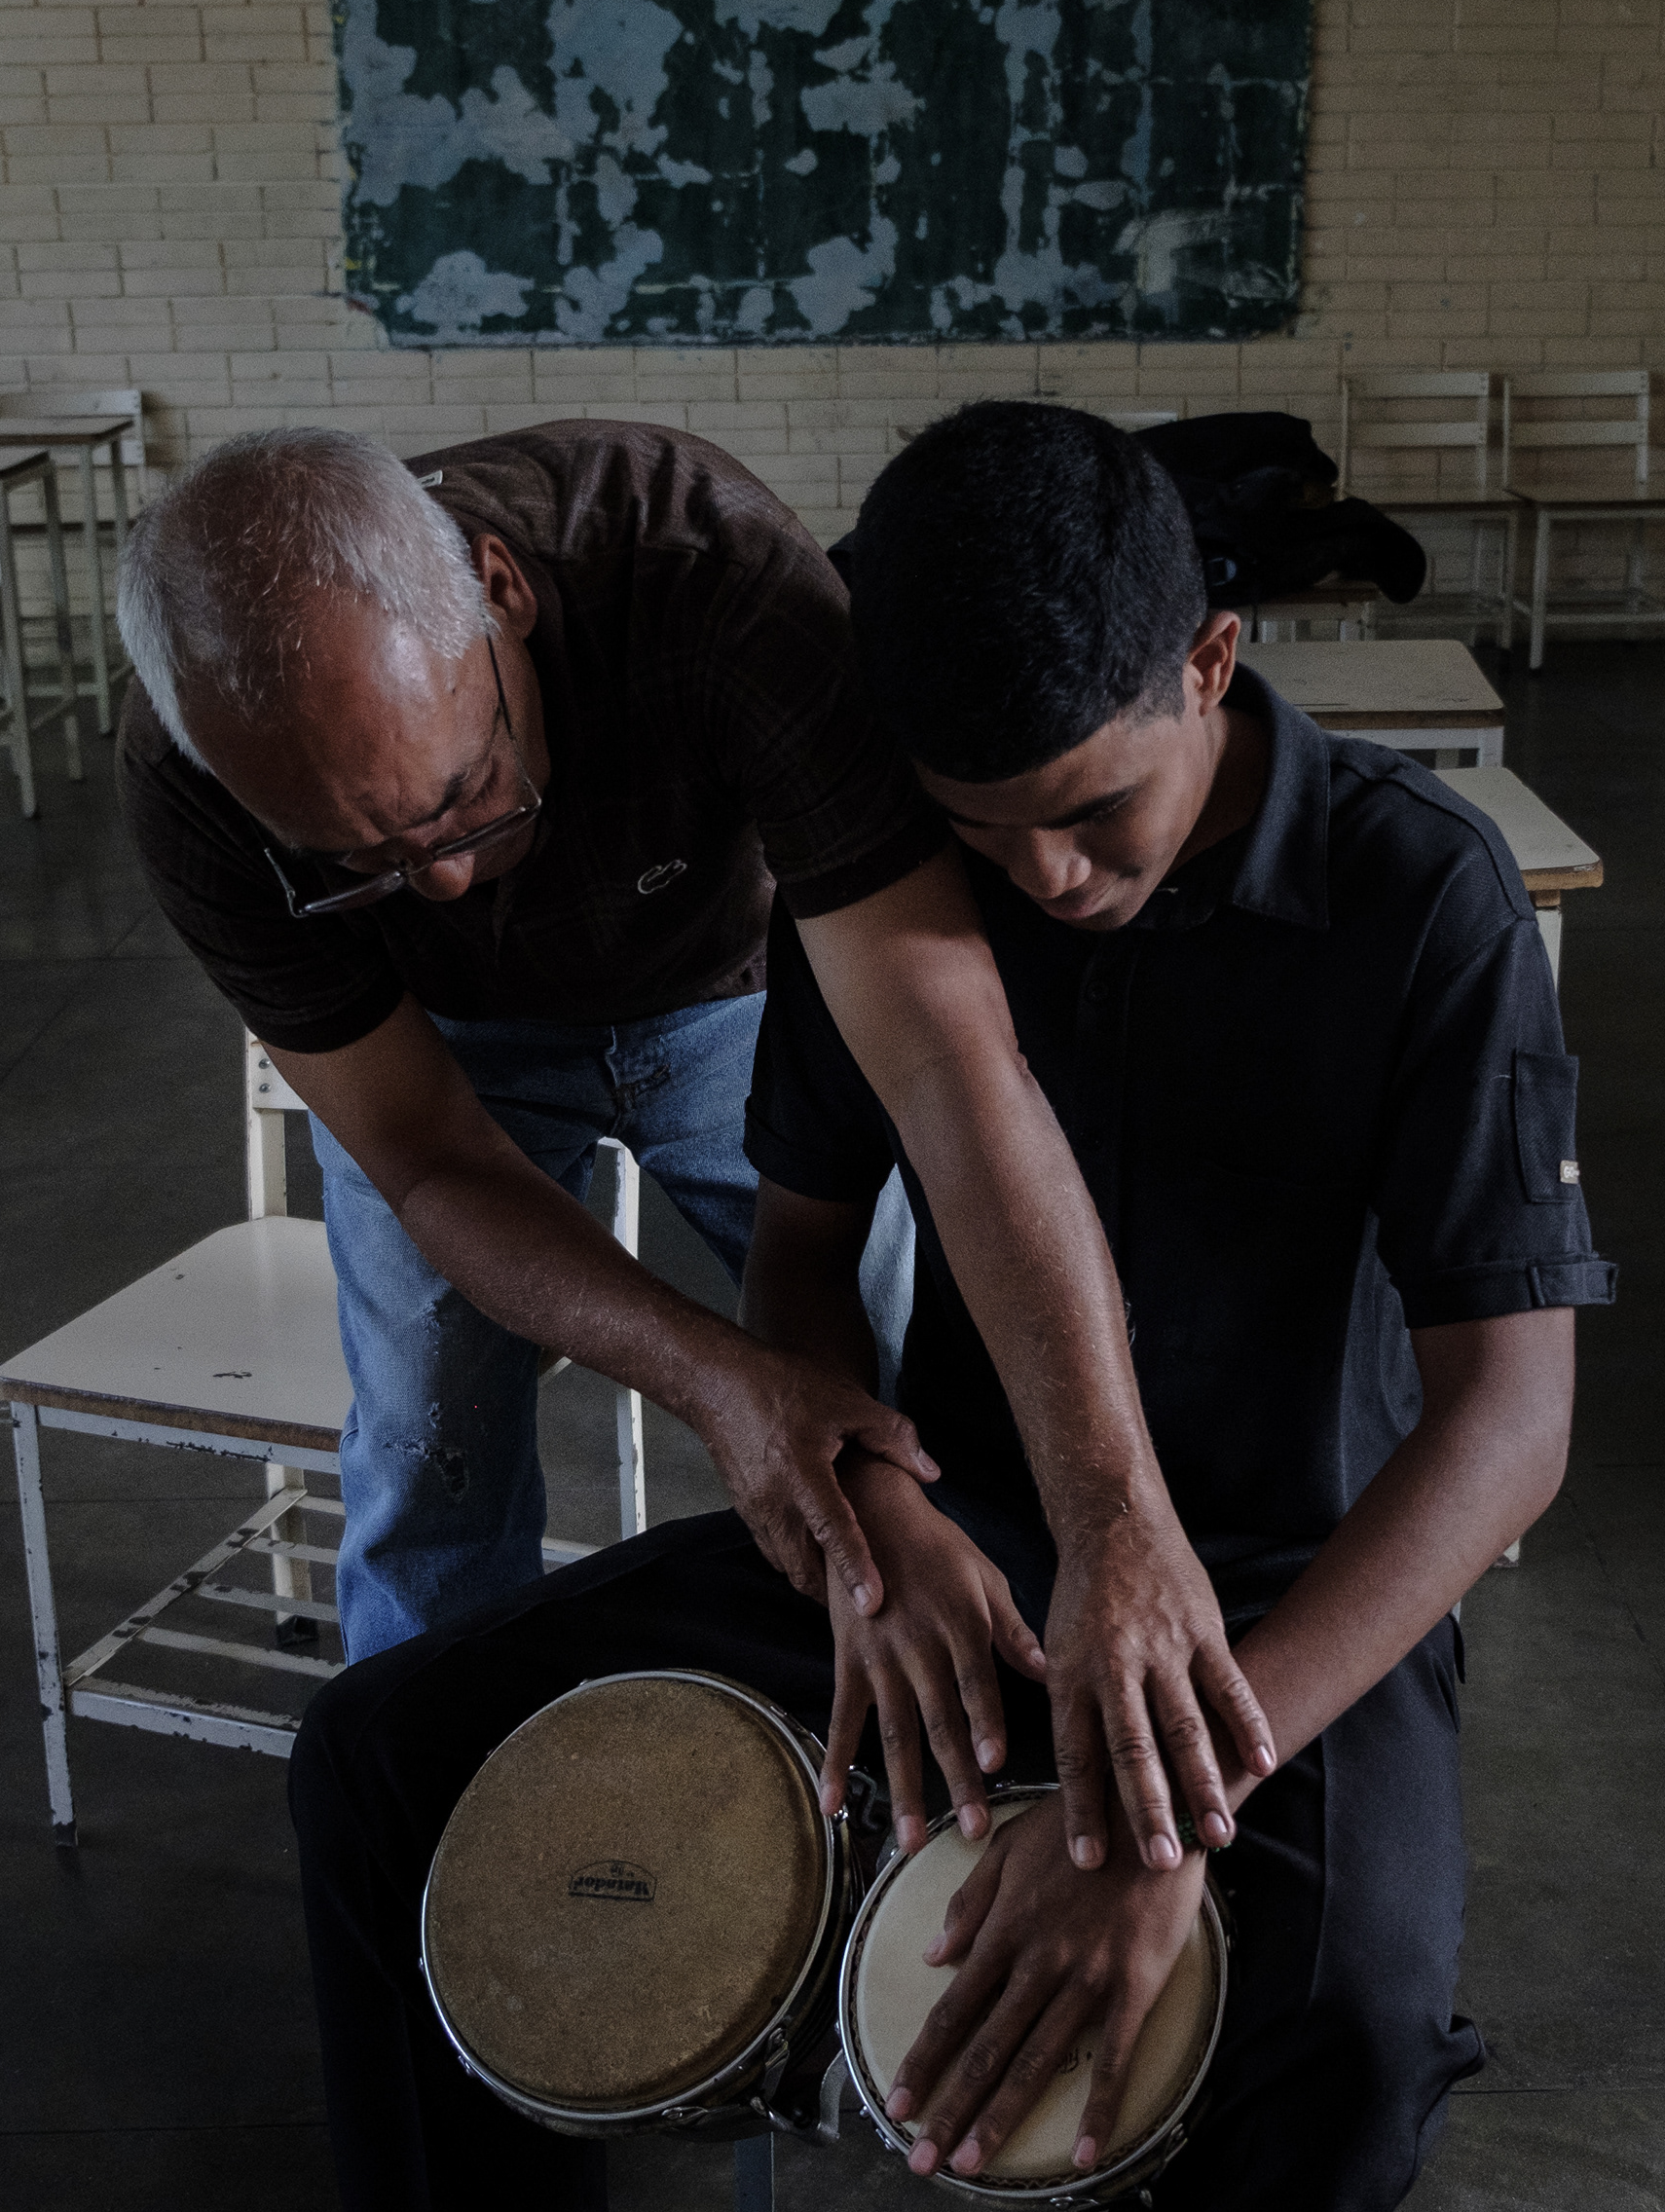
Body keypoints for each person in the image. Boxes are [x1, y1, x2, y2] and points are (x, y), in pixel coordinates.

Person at [286, 401, 1616, 2212]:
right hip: (970, 1548)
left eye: (1091, 816)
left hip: (1279, 1591)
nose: (1042, 877)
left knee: (1357, 2037)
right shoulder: (903, 888)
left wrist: (1170, 1806)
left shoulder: (1422, 899)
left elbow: (1513, 1420)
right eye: (980, 829)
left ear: (1212, 662)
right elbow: (807, 1259)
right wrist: (879, 1520)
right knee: (381, 1756)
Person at [125, 424, 1277, 1856]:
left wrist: (1112, 1510)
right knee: (429, 1440)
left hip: (720, 985)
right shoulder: (192, 778)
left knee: (907, 1378)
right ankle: (446, 1827)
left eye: (462, 793)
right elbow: (427, 1158)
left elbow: (945, 1066)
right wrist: (717, 1380)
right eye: (359, 865)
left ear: (501, 591)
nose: (452, 877)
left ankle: (949, 1758)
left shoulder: (714, 573)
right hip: (454, 1056)